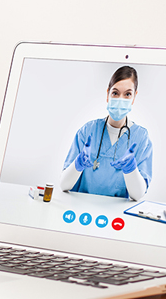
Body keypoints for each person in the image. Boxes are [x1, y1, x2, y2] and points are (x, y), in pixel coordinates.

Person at [58, 66, 152, 200]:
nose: (120, 99)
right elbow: (63, 185)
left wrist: (131, 170)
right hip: (81, 210)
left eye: (127, 94)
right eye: (115, 93)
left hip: (116, 216)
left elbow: (138, 195)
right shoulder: (88, 131)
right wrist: (77, 164)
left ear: (134, 97)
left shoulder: (141, 138)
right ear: (108, 94)